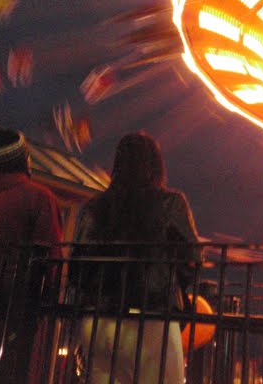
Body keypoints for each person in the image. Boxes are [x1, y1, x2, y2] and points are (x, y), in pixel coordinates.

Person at [72, 132, 200, 384]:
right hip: (151, 316)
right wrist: (175, 283)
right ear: (156, 165)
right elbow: (192, 258)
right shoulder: (171, 203)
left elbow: (78, 266)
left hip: (98, 317)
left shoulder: (93, 208)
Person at [0, 129, 63, 383]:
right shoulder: (38, 197)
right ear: (22, 159)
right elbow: (51, 258)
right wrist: (48, 299)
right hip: (11, 310)